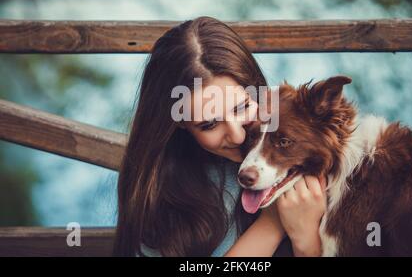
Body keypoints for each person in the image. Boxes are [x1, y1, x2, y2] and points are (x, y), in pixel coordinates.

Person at [113, 16, 326, 257]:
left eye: (241, 108)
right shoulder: (161, 193)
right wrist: (272, 225)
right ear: (179, 124)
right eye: (209, 124)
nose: (236, 136)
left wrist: (306, 240)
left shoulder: (298, 149)